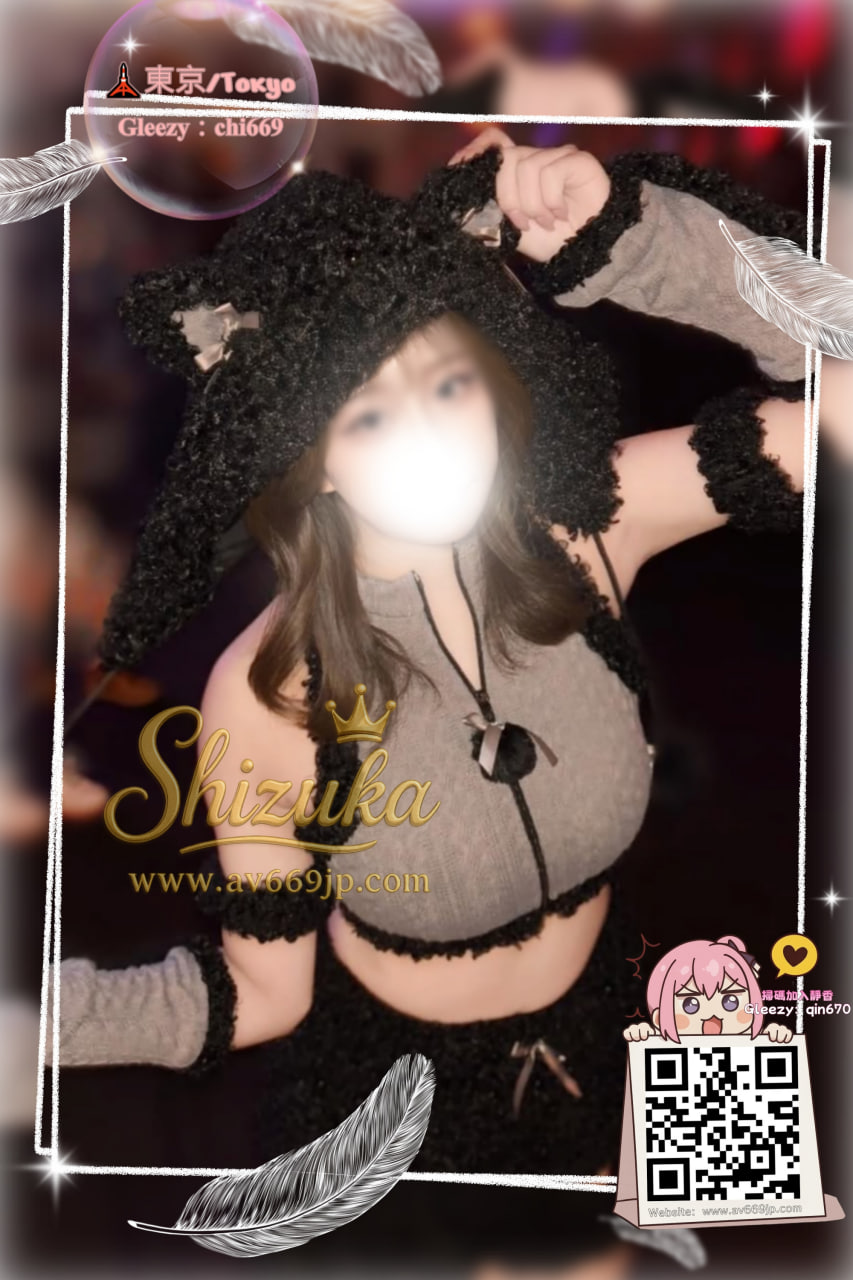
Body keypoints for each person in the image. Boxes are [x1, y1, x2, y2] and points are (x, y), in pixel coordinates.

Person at [48, 129, 808, 1176]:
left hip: (636, 1024)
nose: (432, 435)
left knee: (712, 1232)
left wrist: (631, 239)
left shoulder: (593, 527)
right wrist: (38, 1023)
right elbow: (260, 991)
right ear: (314, 455)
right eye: (371, 414)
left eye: (449, 387)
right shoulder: (271, 692)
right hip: (393, 1110)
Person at [622, 934, 793, 1044]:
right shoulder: (662, 1046)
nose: (713, 1017)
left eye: (730, 1001)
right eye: (690, 1004)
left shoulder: (752, 1044)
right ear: (659, 1018)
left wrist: (773, 1039)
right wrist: (644, 1038)